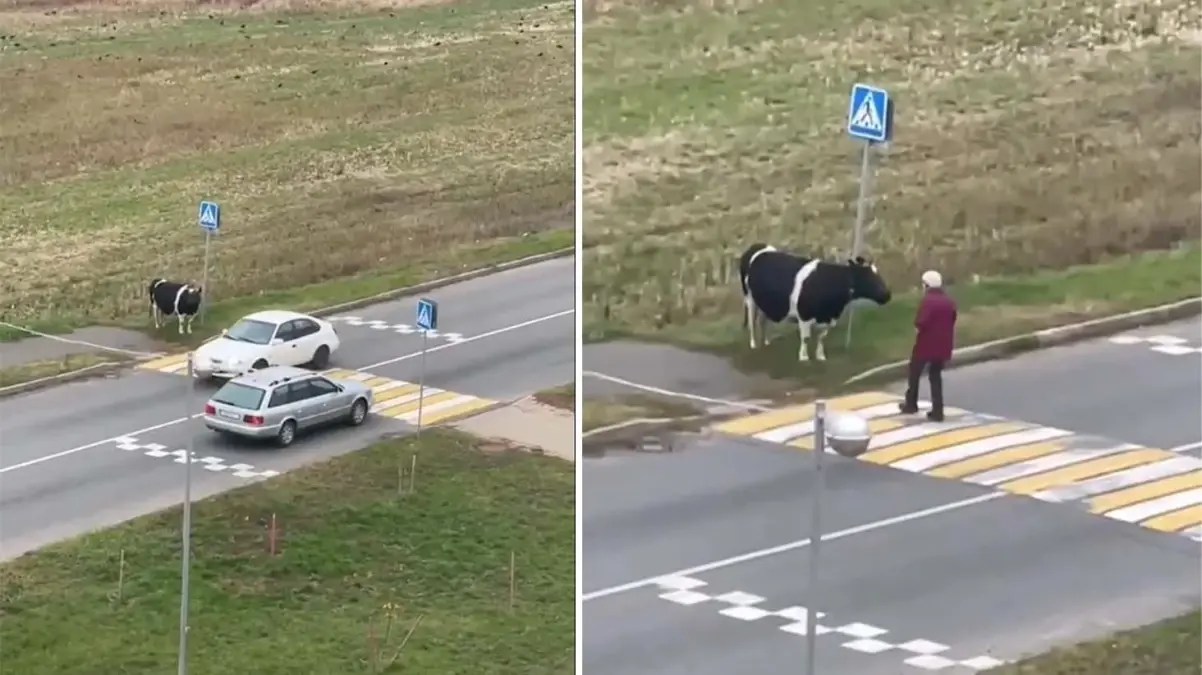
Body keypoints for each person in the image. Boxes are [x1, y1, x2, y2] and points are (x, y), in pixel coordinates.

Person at [899, 270, 957, 421]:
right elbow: (953, 318)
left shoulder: (927, 301)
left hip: (926, 345)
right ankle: (938, 411)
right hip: (944, 345)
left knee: (914, 372)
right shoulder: (948, 301)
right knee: (935, 376)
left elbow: (920, 323)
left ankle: (911, 404)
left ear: (926, 285)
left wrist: (917, 330)